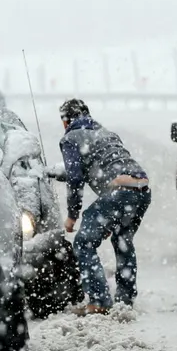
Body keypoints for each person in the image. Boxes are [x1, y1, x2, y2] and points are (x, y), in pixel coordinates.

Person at [58, 98, 150, 316]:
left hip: (118, 192)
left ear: (65, 121)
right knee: (122, 239)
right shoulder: (108, 133)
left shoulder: (70, 137)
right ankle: (125, 300)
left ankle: (99, 301)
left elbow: (75, 178)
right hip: (142, 188)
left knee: (83, 243)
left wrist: (72, 216)